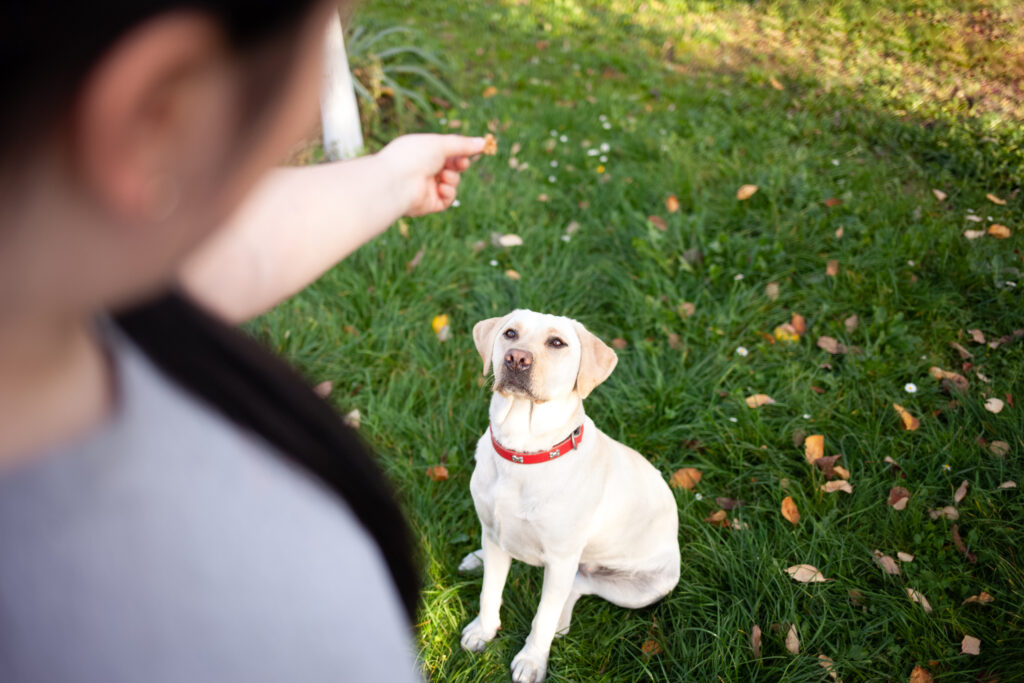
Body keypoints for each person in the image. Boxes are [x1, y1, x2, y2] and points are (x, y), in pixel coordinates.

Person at [0, 1, 485, 681]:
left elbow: (216, 252)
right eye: (324, 39)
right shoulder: (267, 629)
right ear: (157, 112)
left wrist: (392, 177)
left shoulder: (52, 288)